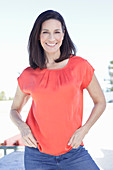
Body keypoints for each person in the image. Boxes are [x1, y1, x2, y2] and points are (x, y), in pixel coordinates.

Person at [10, 10, 106, 170]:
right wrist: (23, 127)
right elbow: (14, 109)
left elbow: (101, 102)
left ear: (64, 34)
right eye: (45, 32)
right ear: (38, 36)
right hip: (37, 155)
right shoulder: (28, 74)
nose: (52, 38)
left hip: (73, 152)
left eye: (57, 32)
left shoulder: (80, 66)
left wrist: (85, 129)